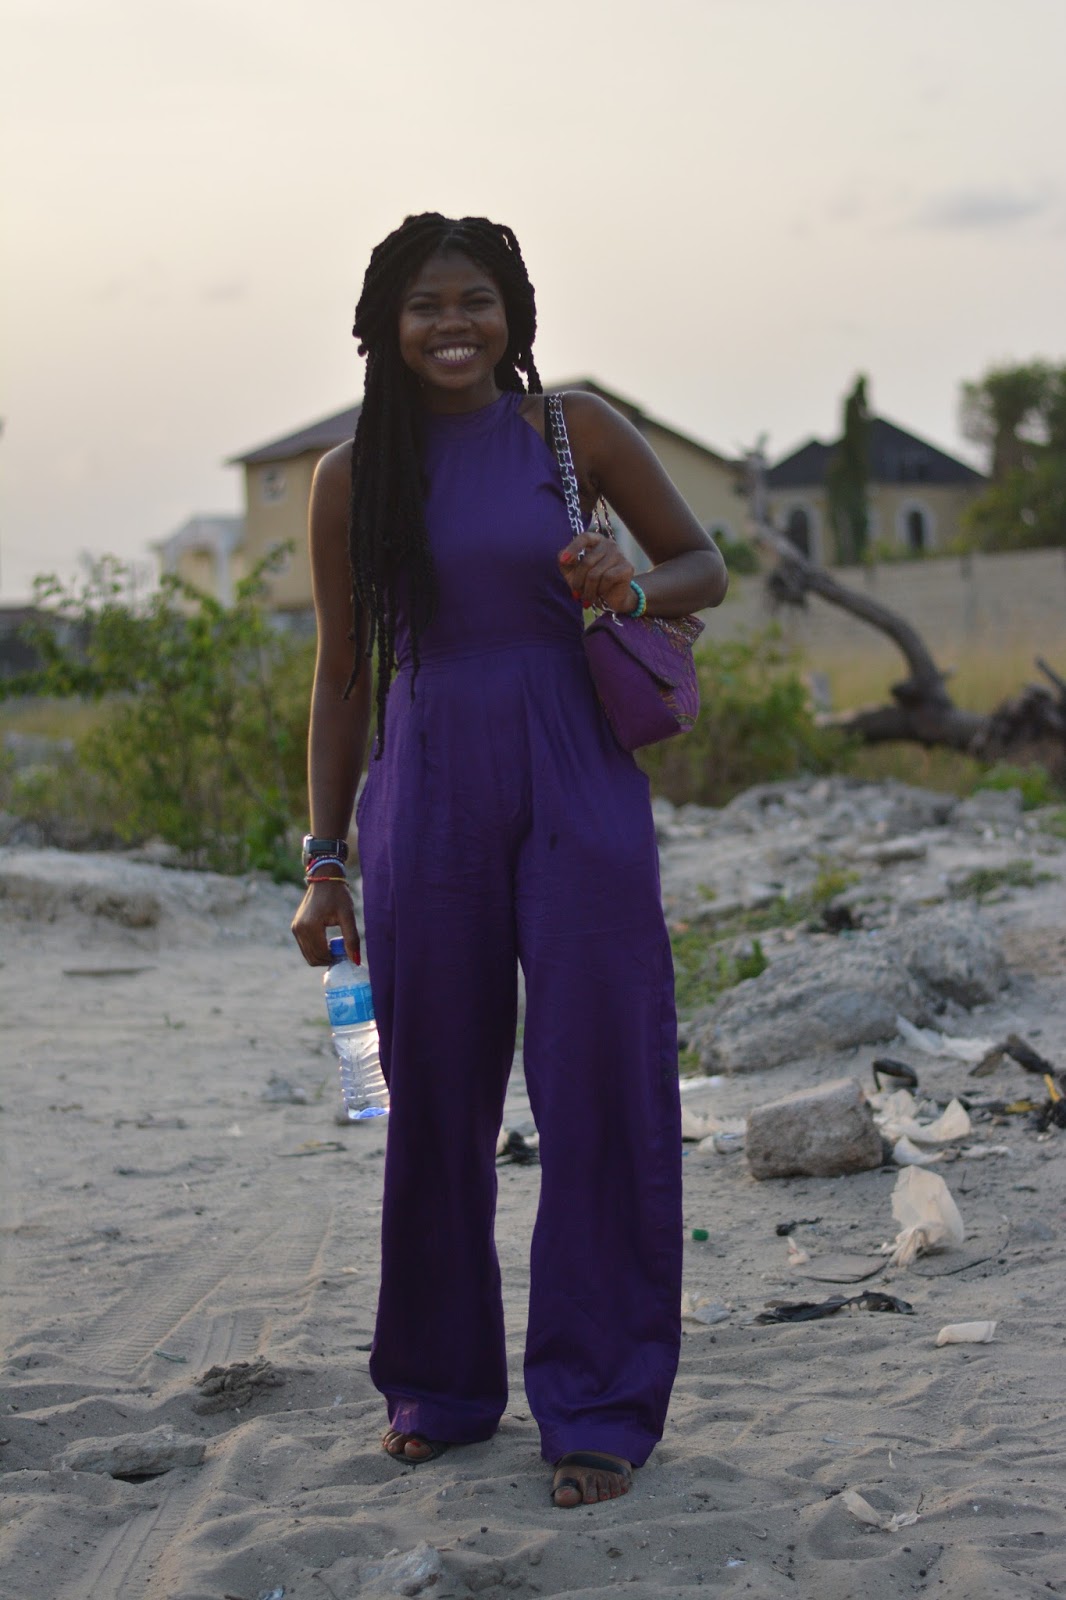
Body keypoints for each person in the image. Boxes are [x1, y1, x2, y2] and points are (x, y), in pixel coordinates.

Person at [290, 212, 728, 1509]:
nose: (452, 325)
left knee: (601, 1082)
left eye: (474, 300)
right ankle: (439, 1387)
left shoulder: (572, 430)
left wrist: (626, 586)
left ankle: (598, 1407)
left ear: (512, 313)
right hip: (424, 788)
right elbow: (340, 674)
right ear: (384, 326)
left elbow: (704, 565)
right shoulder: (348, 476)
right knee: (434, 1095)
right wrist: (323, 863)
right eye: (426, 305)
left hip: (576, 773)